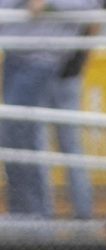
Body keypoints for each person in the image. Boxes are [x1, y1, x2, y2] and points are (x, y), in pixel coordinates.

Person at [0, 0, 96, 217]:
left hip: (48, 61)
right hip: (16, 56)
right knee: (16, 138)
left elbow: (92, 7)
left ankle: (37, 216)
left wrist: (49, 4)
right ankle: (27, 213)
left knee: (30, 138)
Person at [47, 43, 95, 220]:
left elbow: (93, 22)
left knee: (71, 147)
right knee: (37, 149)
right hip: (37, 75)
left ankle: (82, 214)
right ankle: (41, 216)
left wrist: (80, 59)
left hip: (65, 74)